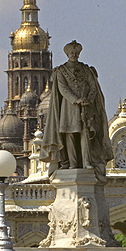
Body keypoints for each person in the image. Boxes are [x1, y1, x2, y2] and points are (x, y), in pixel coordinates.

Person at [40, 41, 113, 175]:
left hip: (86, 107)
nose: (74, 55)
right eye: (71, 53)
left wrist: (89, 99)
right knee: (70, 135)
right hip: (69, 108)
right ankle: (72, 163)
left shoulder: (86, 70)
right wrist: (77, 100)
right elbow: (63, 89)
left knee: (86, 134)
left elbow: (93, 87)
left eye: (76, 53)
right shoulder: (61, 71)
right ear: (67, 54)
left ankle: (87, 162)